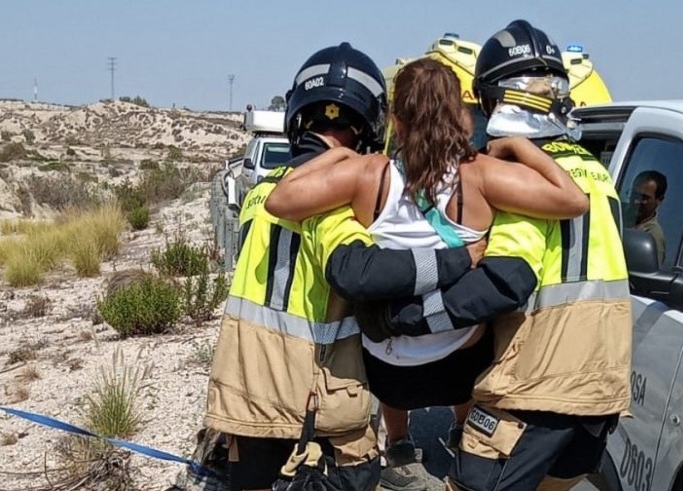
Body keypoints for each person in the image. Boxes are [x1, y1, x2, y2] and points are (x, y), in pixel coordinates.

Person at [204, 42, 519, 491]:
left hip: (243, 391)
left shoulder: (262, 193)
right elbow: (360, 271)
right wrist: (459, 258)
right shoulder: (329, 204)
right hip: (312, 396)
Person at [264, 56, 588, 489]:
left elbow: (280, 199)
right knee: (482, 321)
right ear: (458, 114)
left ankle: (398, 444)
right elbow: (573, 199)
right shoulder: (483, 176)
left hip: (388, 369)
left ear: (395, 120)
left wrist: (339, 154)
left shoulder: (368, 176)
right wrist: (517, 146)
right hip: (460, 364)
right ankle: (462, 428)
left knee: (382, 329)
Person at [420, 20, 631, 491]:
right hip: (600, 390)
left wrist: (414, 316)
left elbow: (507, 278)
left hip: (535, 384)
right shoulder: (594, 172)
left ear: (494, 101)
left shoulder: (518, 173)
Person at [631, 170, 667, 265]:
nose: (636, 202)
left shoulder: (653, 236)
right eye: (634, 194)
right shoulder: (617, 212)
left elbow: (649, 277)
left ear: (659, 200)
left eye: (644, 198)